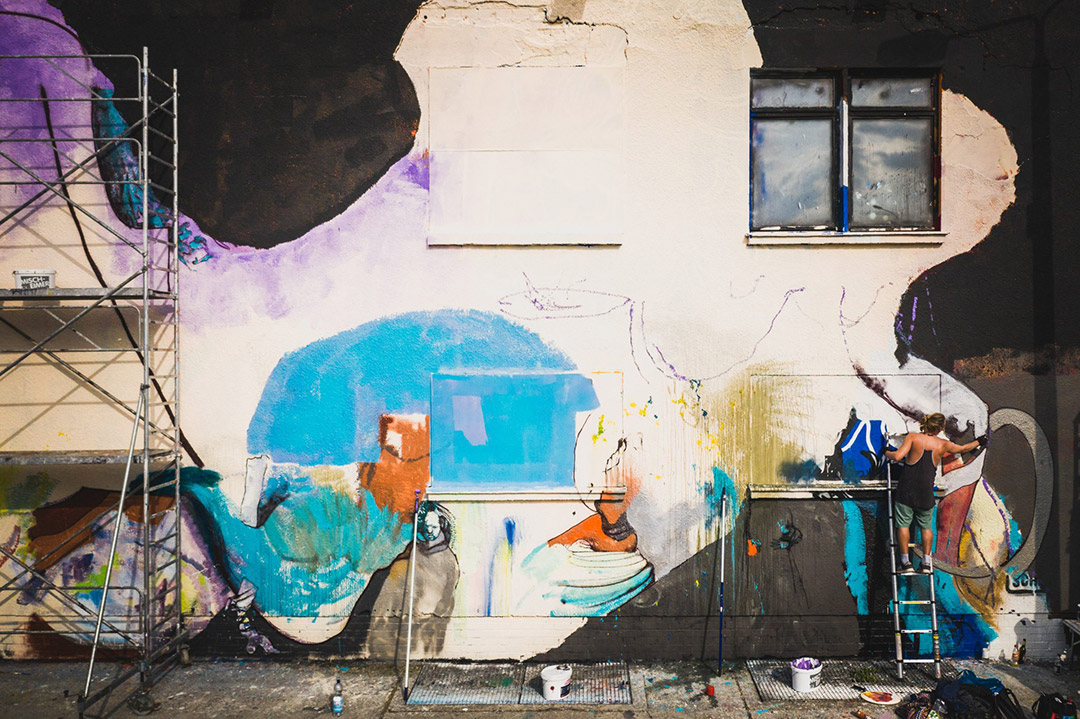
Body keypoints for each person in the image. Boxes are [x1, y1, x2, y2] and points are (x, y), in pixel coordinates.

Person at [885, 413, 983, 574]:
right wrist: (980, 441)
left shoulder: (913, 438)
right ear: (940, 428)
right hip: (925, 492)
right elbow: (963, 449)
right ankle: (926, 562)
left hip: (907, 489)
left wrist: (886, 451)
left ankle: (905, 562)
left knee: (903, 525)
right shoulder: (943, 444)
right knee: (926, 527)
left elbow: (897, 456)